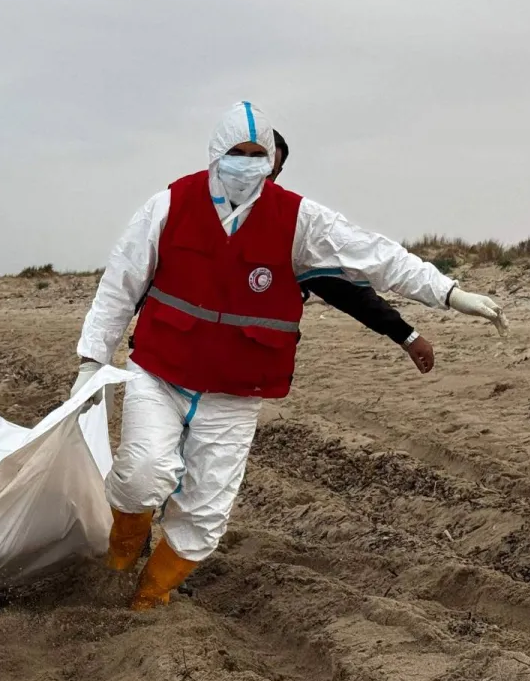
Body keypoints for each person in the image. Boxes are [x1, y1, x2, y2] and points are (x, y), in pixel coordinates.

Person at [72, 102, 507, 610]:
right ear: (217, 153)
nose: (249, 163)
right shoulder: (169, 205)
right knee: (144, 471)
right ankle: (121, 557)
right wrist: (90, 361)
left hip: (235, 391)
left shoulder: (299, 220)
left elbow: (374, 255)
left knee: (206, 516)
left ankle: (149, 597)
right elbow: (119, 285)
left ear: (273, 160)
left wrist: (448, 293)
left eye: (260, 155)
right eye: (239, 152)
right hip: (161, 372)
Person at [272, 131, 436, 374]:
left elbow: (347, 293)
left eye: (268, 169)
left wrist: (406, 335)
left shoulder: (292, 230)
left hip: (257, 368)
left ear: (278, 172)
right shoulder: (200, 215)